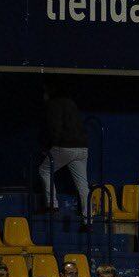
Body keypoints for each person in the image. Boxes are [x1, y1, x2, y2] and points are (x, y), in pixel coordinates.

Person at [38, 82, 89, 213]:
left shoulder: (54, 104)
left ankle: (52, 204)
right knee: (83, 185)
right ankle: (88, 218)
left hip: (65, 146)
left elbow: (55, 128)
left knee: (44, 170)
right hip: (82, 147)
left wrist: (49, 146)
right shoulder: (71, 103)